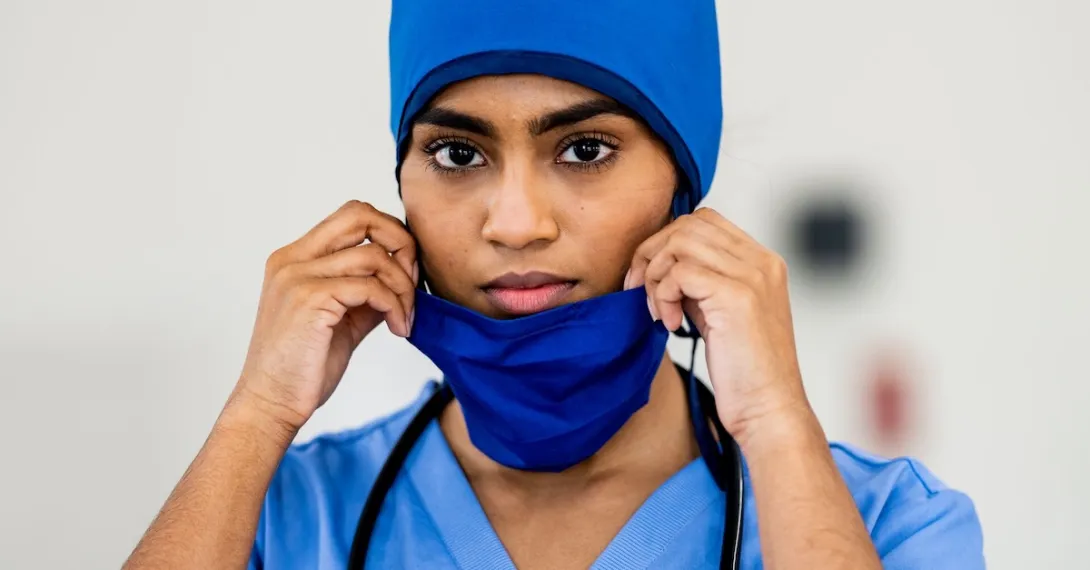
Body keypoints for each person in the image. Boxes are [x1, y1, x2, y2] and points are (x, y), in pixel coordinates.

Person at [123, 1, 985, 568]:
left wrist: (773, 422)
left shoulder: (889, 527)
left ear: (682, 190)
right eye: (458, 154)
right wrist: (257, 412)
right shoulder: (285, 521)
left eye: (584, 149)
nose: (516, 221)